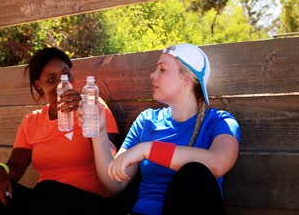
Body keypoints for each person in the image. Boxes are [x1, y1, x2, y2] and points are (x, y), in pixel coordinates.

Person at [0, 47, 129, 215]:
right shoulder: (32, 122)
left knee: (48, 189)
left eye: (65, 75)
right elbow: (15, 166)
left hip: (90, 203)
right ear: (39, 85)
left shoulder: (93, 106)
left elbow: (111, 158)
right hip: (44, 204)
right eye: (51, 79)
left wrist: (86, 114)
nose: (60, 85)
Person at [86, 43, 241, 215]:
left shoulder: (220, 122)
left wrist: (148, 149)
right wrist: (98, 132)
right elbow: (115, 183)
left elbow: (217, 163)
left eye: (162, 69)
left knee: (195, 174)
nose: (153, 75)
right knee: (52, 192)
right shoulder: (147, 120)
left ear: (186, 79)